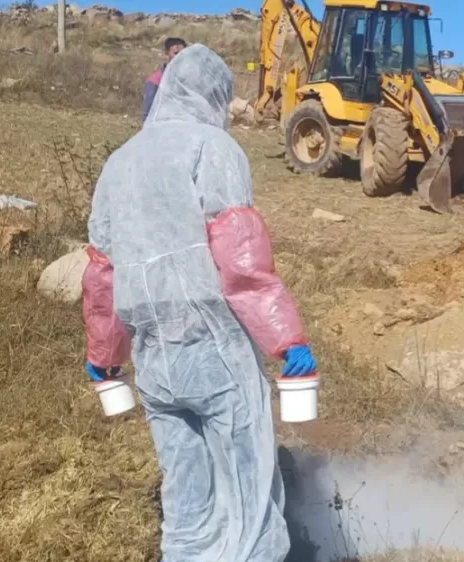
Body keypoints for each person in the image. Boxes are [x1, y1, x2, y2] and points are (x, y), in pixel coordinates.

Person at [82, 43, 316, 562]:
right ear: (214, 95)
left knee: (186, 499)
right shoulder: (212, 147)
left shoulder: (120, 161)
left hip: (154, 364)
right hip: (213, 351)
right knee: (250, 502)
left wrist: (103, 357)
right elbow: (241, 263)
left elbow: (101, 275)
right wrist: (287, 341)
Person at [142, 37, 187, 123]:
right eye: (176, 53)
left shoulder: (188, 79)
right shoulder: (155, 81)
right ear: (167, 53)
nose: (180, 57)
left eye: (183, 54)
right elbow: (147, 113)